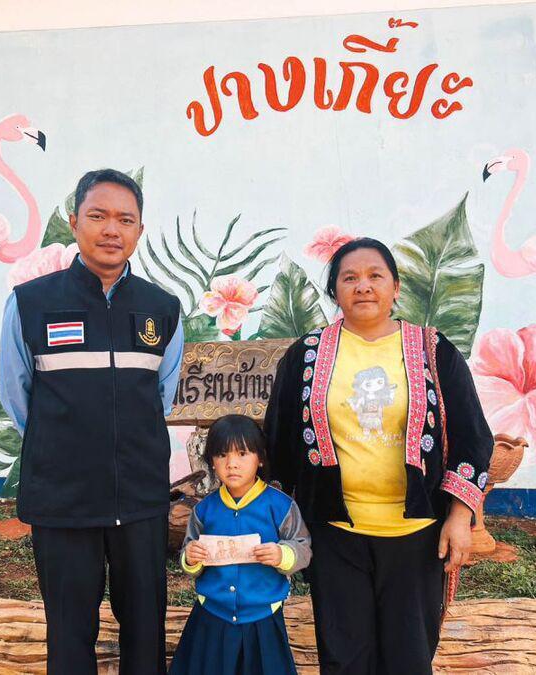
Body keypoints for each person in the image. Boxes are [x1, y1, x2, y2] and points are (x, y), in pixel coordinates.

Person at [264, 237, 493, 674]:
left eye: (375, 276)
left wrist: (459, 517)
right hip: (334, 534)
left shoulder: (433, 350)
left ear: (396, 287)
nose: (363, 286)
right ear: (335, 291)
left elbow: (472, 437)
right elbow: (279, 441)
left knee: (408, 658)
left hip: (416, 536)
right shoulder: (305, 356)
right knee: (344, 658)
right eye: (349, 278)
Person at [0, 168, 185, 674]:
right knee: (69, 631)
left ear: (139, 230)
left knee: (145, 628)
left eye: (125, 220)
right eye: (98, 216)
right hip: (63, 499)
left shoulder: (162, 309)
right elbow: (17, 397)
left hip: (140, 498)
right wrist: (65, 448)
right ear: (74, 221)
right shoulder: (31, 304)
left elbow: (161, 398)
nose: (111, 230)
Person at [170, 414, 312, 675]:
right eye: (222, 455)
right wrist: (190, 558)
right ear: (211, 461)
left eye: (243, 454)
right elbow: (188, 553)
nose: (232, 464)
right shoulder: (204, 510)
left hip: (263, 617)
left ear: (260, 459)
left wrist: (283, 554)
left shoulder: (281, 506)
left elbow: (303, 546)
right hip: (212, 616)